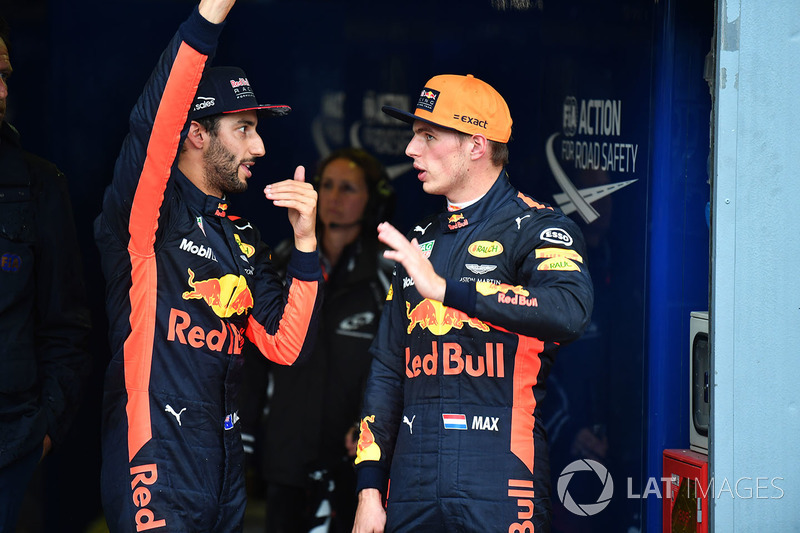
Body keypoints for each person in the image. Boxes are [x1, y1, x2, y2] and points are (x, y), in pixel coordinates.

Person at [93, 0, 323, 531]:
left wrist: (306, 243)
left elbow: (286, 346)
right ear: (197, 133)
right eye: (243, 128)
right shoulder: (150, 216)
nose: (260, 145)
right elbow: (154, 125)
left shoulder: (243, 240)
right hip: (154, 456)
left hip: (223, 469)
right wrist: (208, 18)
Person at [351, 74, 595, 533]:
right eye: (413, 135)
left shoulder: (537, 228)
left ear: (476, 146)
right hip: (411, 481)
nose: (410, 150)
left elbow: (569, 310)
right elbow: (386, 370)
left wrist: (448, 291)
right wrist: (368, 489)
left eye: (428, 136)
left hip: (502, 475)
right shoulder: (419, 241)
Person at [241, 147, 395, 533]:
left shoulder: (387, 272)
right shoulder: (278, 261)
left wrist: (370, 427)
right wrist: (243, 441)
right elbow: (253, 359)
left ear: (372, 200)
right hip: (285, 454)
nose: (334, 197)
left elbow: (394, 362)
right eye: (326, 185)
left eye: (348, 188)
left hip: (353, 458)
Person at [0, 15, 92, 531]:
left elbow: (66, 324)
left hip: (9, 443)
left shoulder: (37, 185)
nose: (1, 89)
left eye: (6, 75)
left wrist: (45, 430)